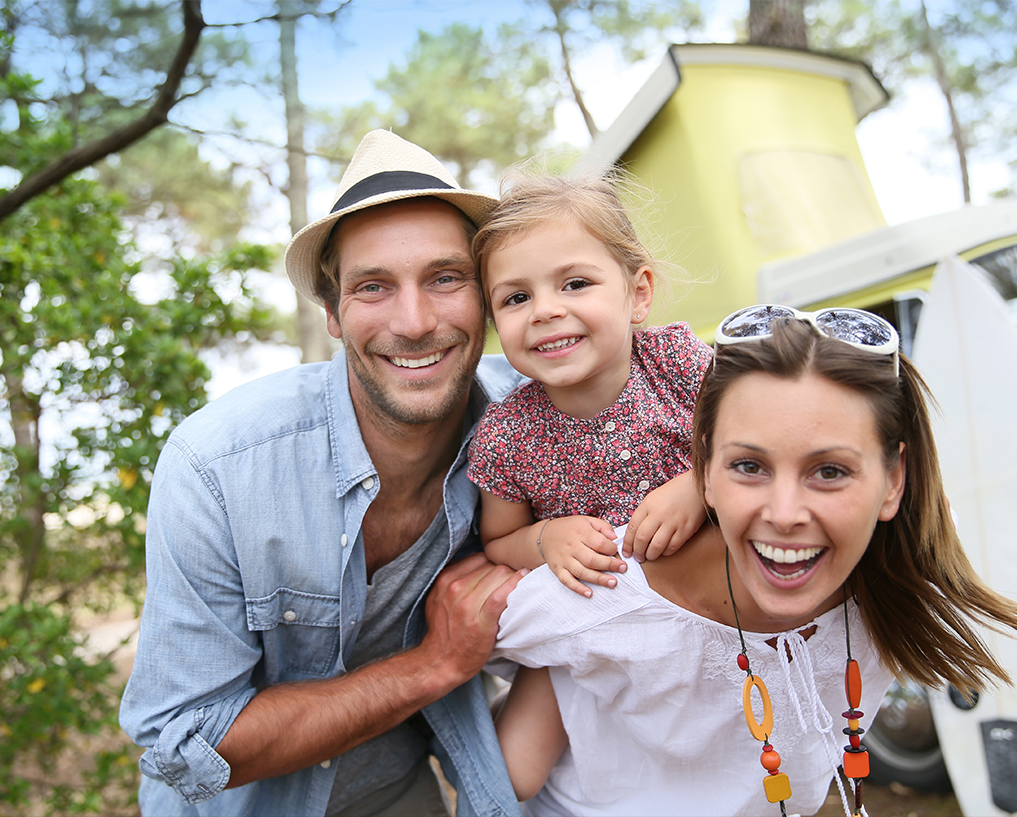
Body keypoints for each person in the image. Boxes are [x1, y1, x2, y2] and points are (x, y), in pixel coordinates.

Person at [119, 130, 528, 817]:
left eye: (445, 277)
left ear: (487, 294)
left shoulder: (533, 423)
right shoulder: (218, 468)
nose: (416, 321)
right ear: (334, 313)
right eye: (374, 286)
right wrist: (434, 663)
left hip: (398, 789)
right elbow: (187, 741)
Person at [489, 305, 1017, 817]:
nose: (785, 515)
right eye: (749, 465)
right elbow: (456, 633)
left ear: (893, 481)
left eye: (830, 472)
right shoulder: (604, 589)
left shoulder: (905, 568)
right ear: (705, 471)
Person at [467, 170, 713, 597]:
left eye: (575, 284)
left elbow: (764, 447)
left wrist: (701, 486)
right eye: (516, 298)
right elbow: (499, 541)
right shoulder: (506, 435)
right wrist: (546, 540)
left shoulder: (676, 363)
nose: (544, 311)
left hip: (723, 594)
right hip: (614, 625)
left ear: (638, 294)